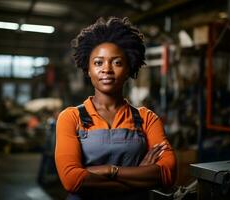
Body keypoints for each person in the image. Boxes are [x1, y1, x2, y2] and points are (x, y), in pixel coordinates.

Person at [55, 17, 177, 200]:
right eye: (98, 62)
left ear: (128, 68)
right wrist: (139, 173)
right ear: (88, 69)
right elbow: (72, 181)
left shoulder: (147, 118)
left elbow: (167, 174)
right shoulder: (71, 118)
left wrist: (108, 171)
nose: (107, 69)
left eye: (117, 62)